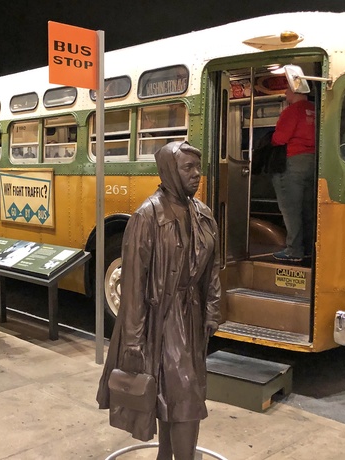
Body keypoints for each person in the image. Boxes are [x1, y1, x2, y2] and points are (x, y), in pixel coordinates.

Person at [96, 141, 222, 460]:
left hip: (191, 317)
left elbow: (213, 271)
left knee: (176, 396)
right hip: (161, 319)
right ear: (168, 171)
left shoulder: (203, 215)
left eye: (198, 167)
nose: (196, 175)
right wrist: (134, 340)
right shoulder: (147, 216)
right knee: (186, 397)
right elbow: (134, 284)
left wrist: (211, 311)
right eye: (187, 168)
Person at [270, 85, 316, 262]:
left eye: (288, 90)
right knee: (307, 208)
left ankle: (294, 250)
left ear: (297, 91)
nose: (285, 93)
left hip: (293, 161)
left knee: (290, 208)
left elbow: (279, 138)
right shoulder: (315, 110)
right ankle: (309, 249)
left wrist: (271, 139)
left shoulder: (292, 111)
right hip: (312, 162)